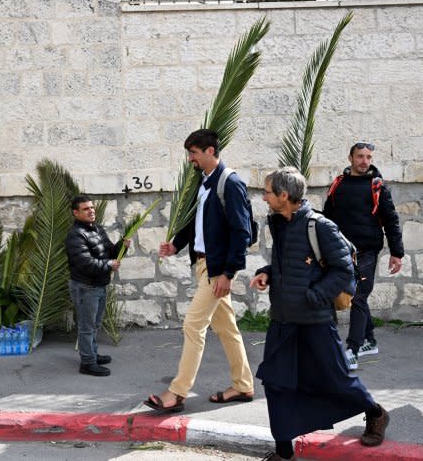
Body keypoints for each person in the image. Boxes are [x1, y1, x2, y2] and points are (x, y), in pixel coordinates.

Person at [250, 167, 389, 461]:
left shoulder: (320, 227)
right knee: (276, 384)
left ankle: (375, 413)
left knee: (336, 380)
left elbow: (344, 270)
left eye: (267, 192)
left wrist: (314, 296)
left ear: (284, 196)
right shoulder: (280, 223)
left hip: (315, 322)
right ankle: (284, 452)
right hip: (283, 321)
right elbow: (286, 265)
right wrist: (267, 274)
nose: (263, 197)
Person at [145, 129, 254, 413]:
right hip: (203, 264)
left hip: (218, 269)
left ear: (209, 151)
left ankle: (177, 392)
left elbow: (242, 233)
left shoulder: (230, 183)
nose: (190, 159)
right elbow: (197, 221)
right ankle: (243, 385)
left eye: (193, 153)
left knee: (193, 325)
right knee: (226, 328)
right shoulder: (203, 182)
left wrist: (228, 274)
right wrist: (176, 245)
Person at [322, 142, 404, 370]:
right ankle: (370, 341)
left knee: (358, 296)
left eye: (368, 157)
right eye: (360, 156)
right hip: (341, 251)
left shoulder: (377, 186)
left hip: (367, 251)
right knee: (356, 296)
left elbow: (391, 220)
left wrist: (396, 253)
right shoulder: (338, 184)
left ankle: (353, 350)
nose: (365, 161)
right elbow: (327, 217)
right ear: (350, 158)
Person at [65, 195, 129, 377]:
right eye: (86, 209)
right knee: (87, 326)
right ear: (76, 213)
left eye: (92, 208)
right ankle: (87, 363)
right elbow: (85, 262)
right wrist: (108, 265)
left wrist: (121, 246)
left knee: (94, 324)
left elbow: (108, 251)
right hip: (85, 287)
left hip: (98, 285)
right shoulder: (75, 235)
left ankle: (91, 354)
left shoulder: (97, 229)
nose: (91, 211)